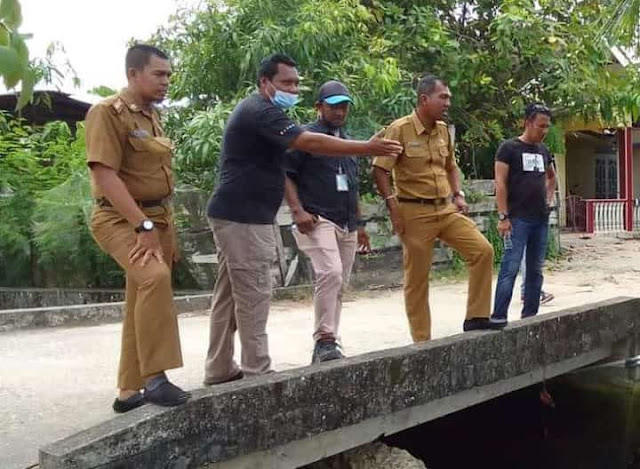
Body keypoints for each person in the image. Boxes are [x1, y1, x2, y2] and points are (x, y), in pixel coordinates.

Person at [204, 54, 402, 385]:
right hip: (244, 218)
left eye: (296, 83)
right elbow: (306, 142)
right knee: (254, 294)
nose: (293, 88)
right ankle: (258, 374)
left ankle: (219, 367)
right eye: (286, 83)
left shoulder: (269, 113)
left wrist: (360, 222)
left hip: (240, 214)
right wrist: (367, 147)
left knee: (228, 296)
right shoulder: (260, 111)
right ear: (265, 83)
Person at [85, 44, 189, 412]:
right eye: (159, 74)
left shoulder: (150, 116)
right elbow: (104, 174)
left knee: (139, 298)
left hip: (156, 219)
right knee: (153, 279)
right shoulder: (106, 113)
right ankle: (155, 378)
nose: (166, 82)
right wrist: (142, 224)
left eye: (169, 75)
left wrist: (162, 226)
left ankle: (129, 390)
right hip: (120, 218)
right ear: (133, 74)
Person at [372, 74, 496, 343]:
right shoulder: (400, 129)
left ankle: (476, 317)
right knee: (417, 279)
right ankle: (422, 342)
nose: (448, 103)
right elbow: (380, 169)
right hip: (414, 212)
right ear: (424, 99)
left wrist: (458, 194)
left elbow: (451, 166)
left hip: (446, 210)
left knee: (482, 251)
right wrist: (393, 208)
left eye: (449, 97)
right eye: (443, 97)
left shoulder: (442, 131)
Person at [284, 80, 371, 363]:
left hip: (346, 221)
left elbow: (353, 185)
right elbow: (284, 174)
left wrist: (360, 225)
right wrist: (297, 211)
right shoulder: (305, 137)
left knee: (339, 282)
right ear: (319, 107)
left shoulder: (346, 140)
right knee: (330, 274)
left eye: (344, 105)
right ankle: (324, 339)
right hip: (318, 218)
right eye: (334, 105)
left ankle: (329, 341)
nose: (340, 111)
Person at [490, 103, 557, 327]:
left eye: (547, 126)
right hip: (517, 218)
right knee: (510, 267)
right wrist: (503, 216)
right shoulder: (509, 148)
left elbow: (551, 178)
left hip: (540, 219)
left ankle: (530, 319)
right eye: (540, 126)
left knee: (535, 270)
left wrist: (549, 200)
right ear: (528, 122)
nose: (544, 131)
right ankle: (499, 317)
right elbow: (500, 183)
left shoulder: (544, 151)